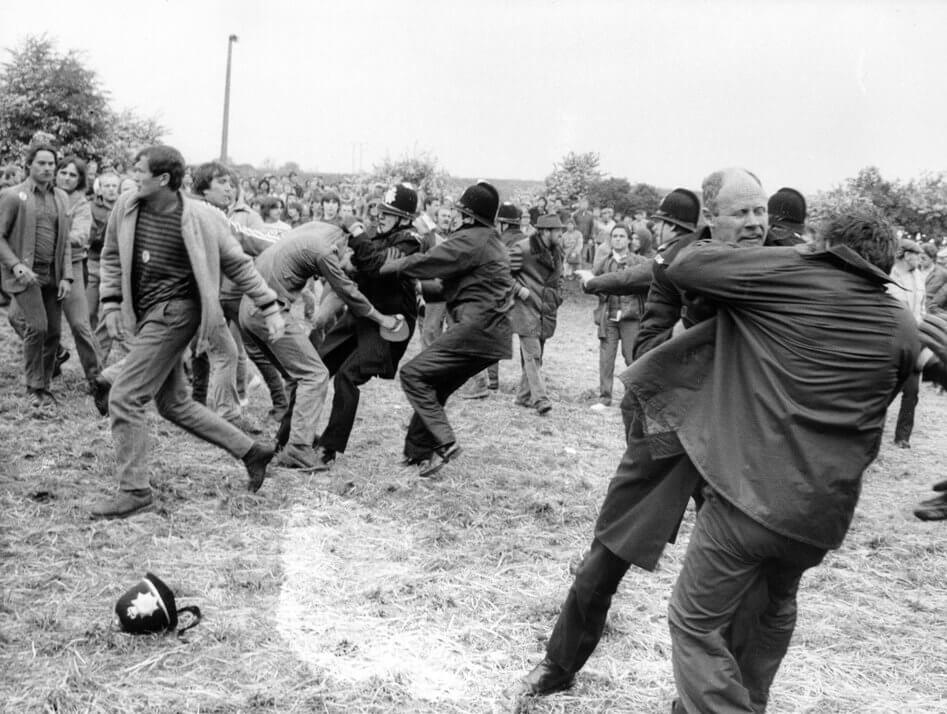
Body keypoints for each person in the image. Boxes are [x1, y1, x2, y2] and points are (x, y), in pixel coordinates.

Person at [517, 170, 769, 699]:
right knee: (605, 555)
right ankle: (558, 665)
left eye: (759, 211)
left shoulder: (782, 271)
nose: (753, 223)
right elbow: (648, 346)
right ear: (710, 218)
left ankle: (710, 696)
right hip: (671, 431)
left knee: (747, 580)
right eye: (740, 213)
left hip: (741, 441)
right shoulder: (678, 266)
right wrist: (702, 327)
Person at [655, 211, 915, 712]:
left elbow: (687, 265)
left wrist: (800, 253)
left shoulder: (794, 279)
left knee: (694, 622)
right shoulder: (901, 323)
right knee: (773, 610)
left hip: (750, 498)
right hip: (820, 517)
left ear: (827, 247)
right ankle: (749, 703)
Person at [90, 145, 285, 519]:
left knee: (125, 396)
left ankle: (135, 492)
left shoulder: (200, 217)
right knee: (173, 404)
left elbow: (238, 264)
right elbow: (112, 256)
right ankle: (251, 451)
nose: (132, 175)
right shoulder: (127, 207)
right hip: (146, 313)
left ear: (163, 179)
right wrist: (112, 303)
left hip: (179, 314)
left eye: (139, 169)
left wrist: (269, 305)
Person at [241, 219, 400, 471]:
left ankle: (293, 437)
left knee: (297, 375)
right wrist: (382, 319)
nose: (347, 268)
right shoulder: (326, 251)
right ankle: (298, 450)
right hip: (267, 311)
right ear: (348, 248)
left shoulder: (318, 227)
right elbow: (347, 291)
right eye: (350, 264)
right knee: (315, 374)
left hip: (248, 309)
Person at [379, 181, 514, 477]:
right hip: (493, 336)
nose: (452, 216)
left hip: (476, 330)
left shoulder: (471, 240)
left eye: (457, 211)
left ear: (469, 216)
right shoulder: (488, 242)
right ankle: (417, 454)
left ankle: (445, 442)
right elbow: (447, 288)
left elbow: (428, 261)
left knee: (412, 374)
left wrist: (383, 266)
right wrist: (415, 283)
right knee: (434, 384)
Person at [313, 183, 424, 465]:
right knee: (314, 368)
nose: (380, 216)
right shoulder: (381, 235)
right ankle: (289, 437)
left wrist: (359, 234)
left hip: (387, 326)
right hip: (361, 315)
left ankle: (329, 448)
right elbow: (360, 265)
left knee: (347, 376)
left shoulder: (410, 241)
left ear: (405, 218)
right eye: (380, 211)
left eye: (388, 213)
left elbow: (374, 266)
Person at [0, 144, 73, 407]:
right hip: (25, 276)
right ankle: (35, 387)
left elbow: (65, 242)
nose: (47, 168)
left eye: (51, 164)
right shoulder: (13, 195)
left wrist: (67, 276)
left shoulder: (62, 198)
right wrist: (16, 266)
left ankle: (45, 383)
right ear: (29, 165)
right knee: (38, 327)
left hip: (53, 276)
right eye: (41, 163)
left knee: (53, 332)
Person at [587, 224, 650, 410]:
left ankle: (633, 400)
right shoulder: (604, 263)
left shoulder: (639, 262)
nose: (618, 239)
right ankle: (604, 398)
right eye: (614, 236)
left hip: (631, 317)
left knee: (632, 359)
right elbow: (592, 283)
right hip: (609, 317)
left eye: (622, 236)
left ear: (629, 239)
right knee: (606, 359)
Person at [510, 214, 564, 415]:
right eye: (558, 231)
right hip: (526, 309)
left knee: (536, 354)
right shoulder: (522, 248)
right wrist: (518, 289)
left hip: (546, 309)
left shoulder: (558, 251)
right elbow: (501, 274)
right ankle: (540, 399)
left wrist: (559, 296)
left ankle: (522, 397)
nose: (561, 234)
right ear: (545, 231)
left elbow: (560, 278)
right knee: (534, 355)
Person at [888, 238, 926, 448]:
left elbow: (922, 306)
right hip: (894, 339)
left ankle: (902, 437)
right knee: (888, 388)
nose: (920, 260)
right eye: (917, 255)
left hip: (915, 337)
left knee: (912, 390)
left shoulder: (918, 276)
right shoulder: (891, 274)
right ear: (906, 255)